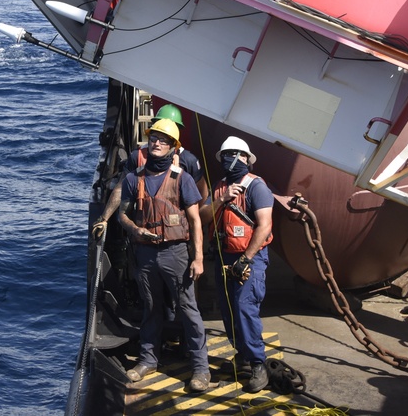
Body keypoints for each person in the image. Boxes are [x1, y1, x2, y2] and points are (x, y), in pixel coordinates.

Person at [117, 118, 211, 392]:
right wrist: (136, 230)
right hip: (146, 254)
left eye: (164, 140)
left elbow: (195, 221)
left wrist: (198, 258)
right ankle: (148, 360)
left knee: (188, 310)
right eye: (154, 138)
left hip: (176, 254)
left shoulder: (182, 179)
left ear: (173, 148)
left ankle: (200, 369)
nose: (157, 143)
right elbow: (123, 214)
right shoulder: (135, 179)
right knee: (151, 308)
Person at [201, 136, 273, 393]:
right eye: (227, 154)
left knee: (244, 308)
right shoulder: (220, 187)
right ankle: (241, 354)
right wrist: (221, 199)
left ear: (246, 159)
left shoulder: (256, 187)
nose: (232, 158)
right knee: (228, 309)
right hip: (224, 257)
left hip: (249, 258)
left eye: (237, 154)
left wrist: (246, 259)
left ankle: (258, 363)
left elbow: (264, 226)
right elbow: (203, 216)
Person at [91, 104, 209, 240]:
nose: (159, 141)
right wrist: (105, 218)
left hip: (177, 236)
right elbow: (121, 188)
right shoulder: (138, 156)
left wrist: (192, 226)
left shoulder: (189, 161)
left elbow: (201, 194)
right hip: (143, 230)